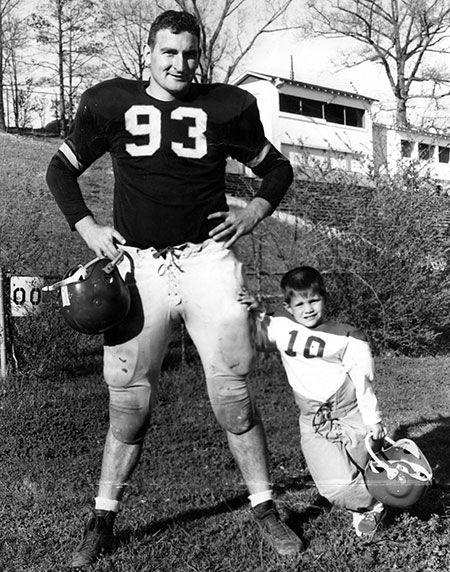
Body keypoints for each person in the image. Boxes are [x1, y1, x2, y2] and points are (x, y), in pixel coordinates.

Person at [46, 9, 303, 568]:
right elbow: (59, 171)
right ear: (150, 53)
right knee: (129, 403)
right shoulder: (110, 101)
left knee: (232, 394)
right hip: (138, 265)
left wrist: (255, 210)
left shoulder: (227, 106)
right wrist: (87, 226)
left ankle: (263, 506)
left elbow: (277, 169)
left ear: (199, 55)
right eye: (169, 52)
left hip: (207, 261)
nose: (180, 63)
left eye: (189, 53)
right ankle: (103, 516)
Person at [238, 266, 386, 539]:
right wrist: (254, 309)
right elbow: (257, 335)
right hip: (314, 419)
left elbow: (363, 380)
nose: (308, 309)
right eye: (300, 303)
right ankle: (375, 503)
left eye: (314, 301)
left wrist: (372, 419)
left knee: (364, 465)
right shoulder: (283, 327)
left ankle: (368, 505)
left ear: (325, 299)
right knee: (334, 485)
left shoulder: (347, 335)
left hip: (349, 411)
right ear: (288, 307)